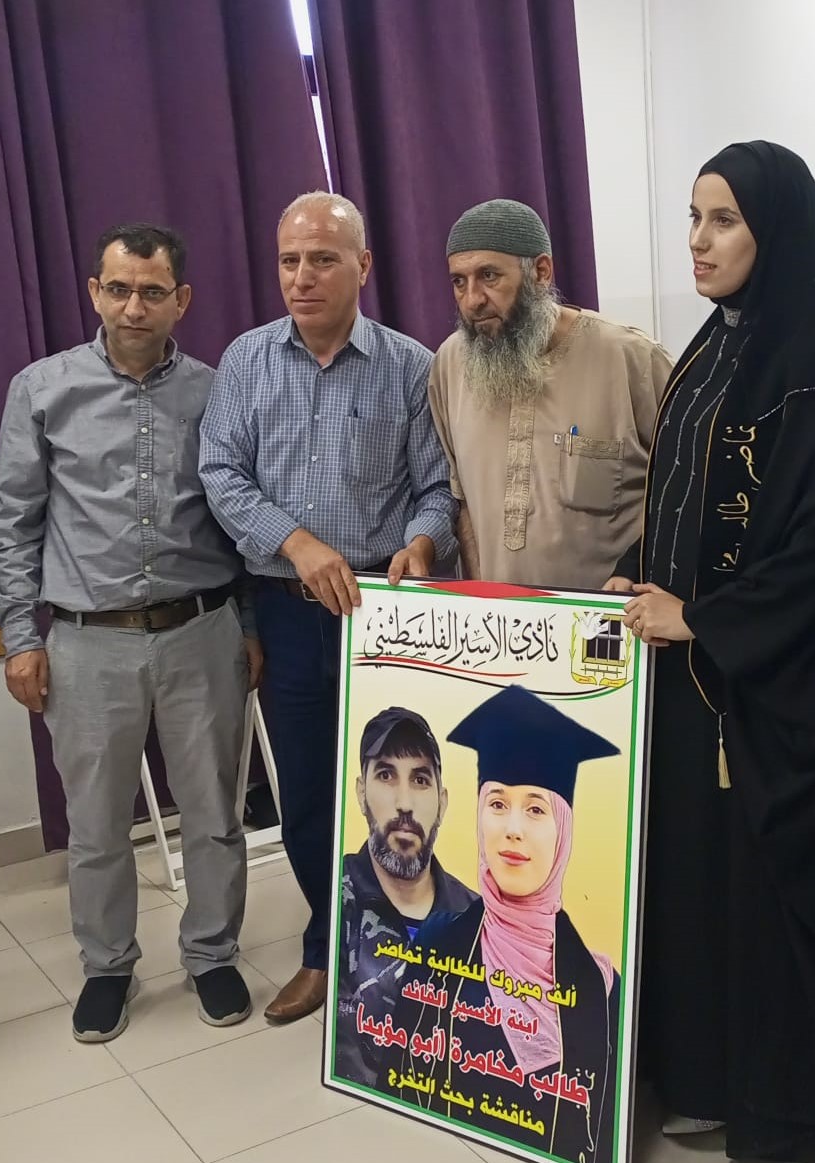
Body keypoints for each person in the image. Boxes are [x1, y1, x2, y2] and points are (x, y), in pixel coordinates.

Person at [612, 142, 815, 1158]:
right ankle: (697, 1069)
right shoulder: (711, 349)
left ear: (778, 232)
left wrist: (704, 619)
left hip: (761, 693)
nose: (698, 239)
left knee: (748, 895)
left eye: (722, 220)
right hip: (688, 680)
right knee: (690, 882)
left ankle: (759, 1089)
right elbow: (679, 499)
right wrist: (640, 579)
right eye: (693, 217)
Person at [0, 223, 259, 1043]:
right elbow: (13, 524)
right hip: (86, 642)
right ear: (94, 293)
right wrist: (19, 636)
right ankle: (107, 966)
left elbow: (242, 513)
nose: (132, 306)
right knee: (98, 823)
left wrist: (248, 625)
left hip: (200, 630)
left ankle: (212, 953)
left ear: (182, 300)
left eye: (151, 291)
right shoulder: (42, 390)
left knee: (214, 810)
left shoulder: (219, 391)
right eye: (117, 288)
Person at [201, 192, 457, 1023]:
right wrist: (298, 544)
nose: (302, 277)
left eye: (322, 259)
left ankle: (416, 954)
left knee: (402, 791)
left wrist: (422, 542)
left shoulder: (411, 366)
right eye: (289, 260)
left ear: (363, 266)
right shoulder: (245, 360)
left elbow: (437, 488)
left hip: (385, 610)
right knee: (311, 796)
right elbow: (221, 474)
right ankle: (328, 950)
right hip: (288, 609)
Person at [385, 685, 621, 1162]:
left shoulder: (600, 986)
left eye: (535, 809)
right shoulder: (437, 947)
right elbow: (400, 1081)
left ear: (563, 831)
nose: (512, 829)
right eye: (496, 804)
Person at [429, 199, 672, 591]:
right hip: (497, 622)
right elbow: (464, 502)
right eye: (459, 282)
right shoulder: (450, 365)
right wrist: (481, 597)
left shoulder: (632, 360)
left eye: (489, 276)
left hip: (611, 619)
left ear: (541, 272)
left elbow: (690, 491)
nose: (472, 300)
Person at [335, 706, 476, 1089]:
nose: (404, 803)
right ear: (361, 793)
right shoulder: (339, 903)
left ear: (442, 803)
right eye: (385, 775)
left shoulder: (479, 921)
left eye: (420, 779)